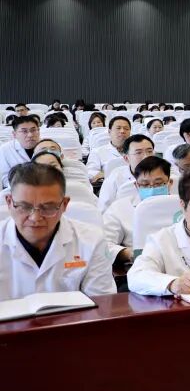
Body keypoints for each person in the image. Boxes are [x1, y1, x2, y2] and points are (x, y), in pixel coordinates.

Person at [0, 163, 115, 300]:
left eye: (47, 208)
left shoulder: (92, 240)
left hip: (76, 315)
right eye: (24, 206)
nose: (35, 218)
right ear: (9, 202)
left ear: (64, 204)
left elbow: (103, 302)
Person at [103, 156, 172, 273]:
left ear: (170, 183)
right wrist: (128, 253)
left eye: (158, 183)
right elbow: (103, 244)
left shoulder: (183, 206)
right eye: (145, 184)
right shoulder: (120, 208)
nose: (152, 189)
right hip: (139, 268)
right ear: (136, 185)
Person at [97, 134, 155, 212]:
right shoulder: (115, 177)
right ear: (127, 158)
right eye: (138, 153)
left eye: (149, 151)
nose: (146, 157)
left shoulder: (165, 173)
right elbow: (104, 209)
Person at [86, 116, 131, 183]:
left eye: (126, 129)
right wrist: (106, 175)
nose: (122, 131)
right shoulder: (97, 152)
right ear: (109, 132)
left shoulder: (137, 150)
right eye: (118, 128)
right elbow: (90, 172)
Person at [0, 116, 41, 188]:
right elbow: (5, 178)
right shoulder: (5, 149)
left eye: (33, 130)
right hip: (16, 189)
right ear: (14, 134)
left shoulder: (50, 145)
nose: (30, 135)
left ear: (39, 131)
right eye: (24, 131)